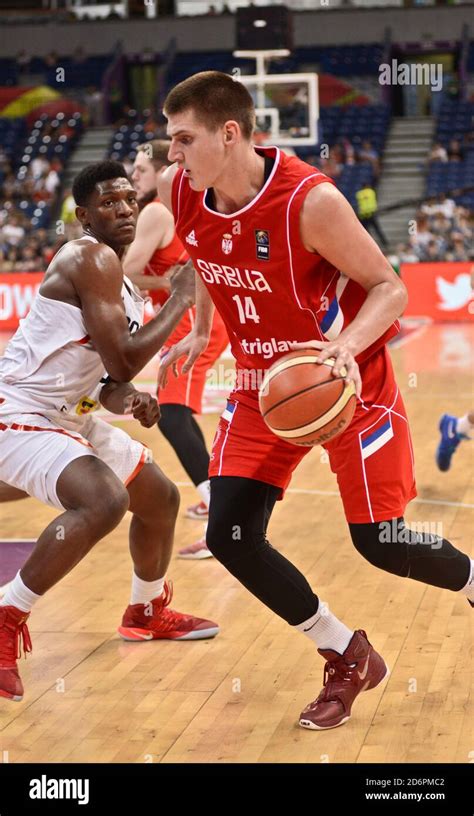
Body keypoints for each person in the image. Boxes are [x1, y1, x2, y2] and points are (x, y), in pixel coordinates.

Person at [157, 71, 474, 731]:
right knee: (231, 536)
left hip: (344, 384)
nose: (172, 154)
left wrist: (347, 349)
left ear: (231, 132)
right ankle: (344, 652)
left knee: (381, 543)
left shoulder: (309, 200)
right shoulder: (178, 192)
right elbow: (208, 265)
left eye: (184, 139)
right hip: (261, 390)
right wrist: (203, 335)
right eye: (169, 141)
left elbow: (388, 287)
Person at [0, 160, 219, 704]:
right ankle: (7, 614)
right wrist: (181, 299)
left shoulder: (121, 283)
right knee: (104, 500)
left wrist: (130, 399)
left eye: (129, 200)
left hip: (67, 411)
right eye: (109, 203)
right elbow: (122, 358)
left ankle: (146, 609)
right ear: (84, 215)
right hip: (20, 410)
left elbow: (105, 378)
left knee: (161, 499)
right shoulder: (87, 255)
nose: (124, 209)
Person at [124, 141, 229, 559]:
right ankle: (212, 498)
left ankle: (221, 517)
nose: (134, 175)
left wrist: (169, 283)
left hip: (191, 320)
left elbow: (128, 271)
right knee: (178, 411)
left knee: (171, 414)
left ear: (161, 170)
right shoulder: (175, 208)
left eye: (141, 169)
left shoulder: (154, 211)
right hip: (194, 315)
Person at [355, 182, 388, 249]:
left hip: (363, 215)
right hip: (371, 213)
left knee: (365, 231)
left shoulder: (359, 194)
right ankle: (384, 243)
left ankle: (368, 244)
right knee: (377, 229)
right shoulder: (371, 192)